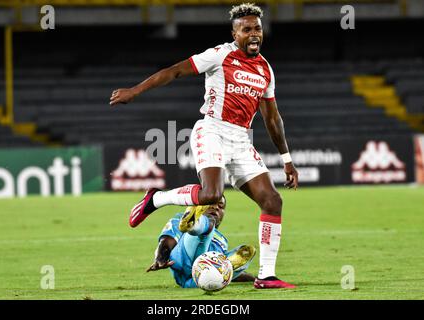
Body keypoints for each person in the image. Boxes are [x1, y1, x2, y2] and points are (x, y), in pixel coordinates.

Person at [110, 3, 298, 289]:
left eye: (257, 28)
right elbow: (174, 71)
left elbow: (272, 117)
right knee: (211, 194)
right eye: (246, 29)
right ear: (235, 34)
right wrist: (134, 92)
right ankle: (155, 199)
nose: (253, 33)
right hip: (212, 130)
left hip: (241, 140)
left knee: (272, 201)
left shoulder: (265, 70)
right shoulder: (219, 55)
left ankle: (267, 276)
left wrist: (286, 159)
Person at [147, 196, 257, 288]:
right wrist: (160, 258)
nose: (215, 207)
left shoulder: (222, 240)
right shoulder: (179, 220)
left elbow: (218, 262)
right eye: (210, 203)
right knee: (207, 225)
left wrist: (254, 279)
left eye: (220, 206)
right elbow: (166, 242)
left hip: (201, 277)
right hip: (183, 260)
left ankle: (225, 271)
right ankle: (195, 225)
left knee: (246, 251)